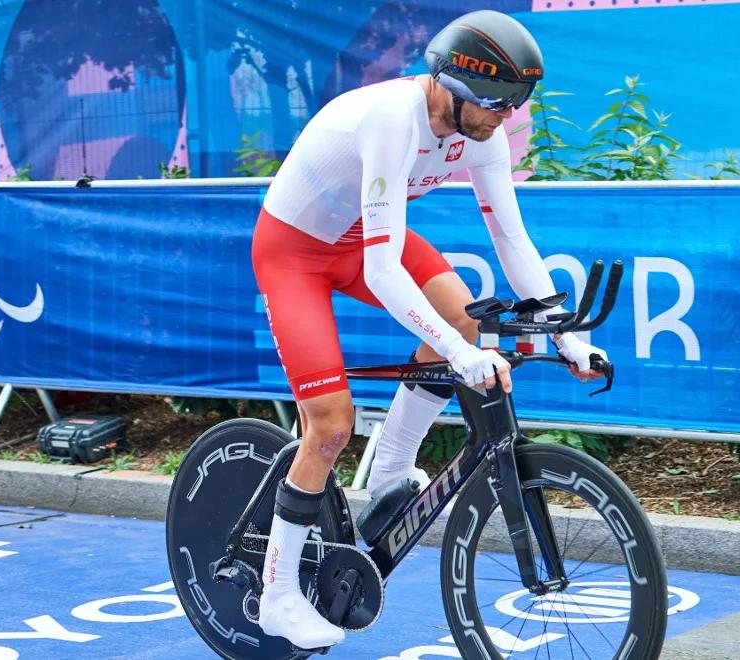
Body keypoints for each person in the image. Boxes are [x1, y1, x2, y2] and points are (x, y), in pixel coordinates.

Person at [251, 9, 608, 650]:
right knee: (329, 425)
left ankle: (391, 466)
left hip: (362, 235)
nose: (508, 116)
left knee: (459, 310)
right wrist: (458, 354)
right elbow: (383, 271)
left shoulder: (484, 130)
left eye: (519, 101)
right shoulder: (394, 118)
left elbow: (512, 238)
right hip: (295, 251)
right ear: (455, 83)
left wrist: (564, 333)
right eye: (499, 101)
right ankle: (276, 595)